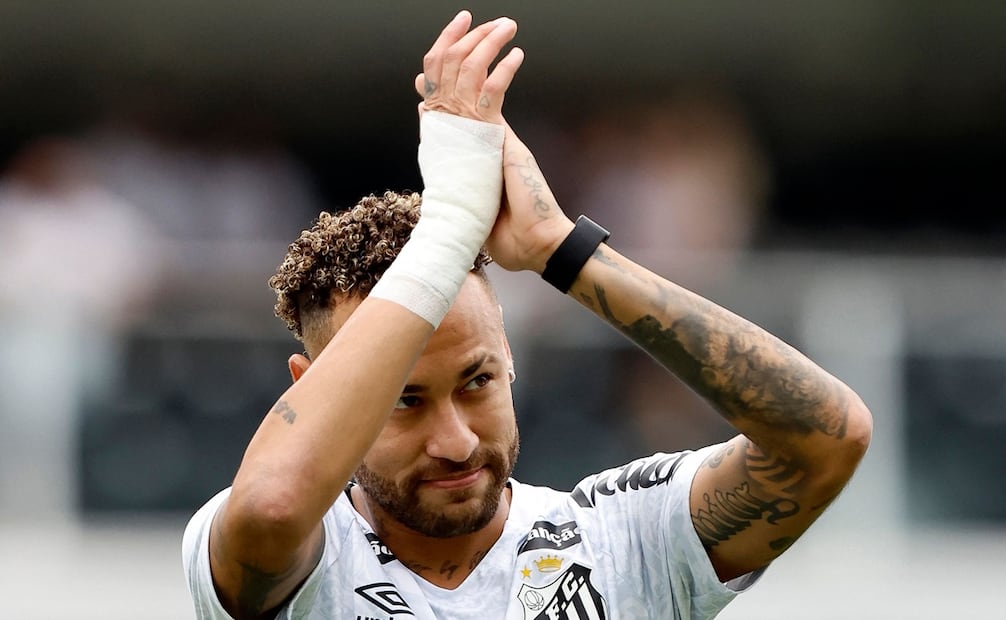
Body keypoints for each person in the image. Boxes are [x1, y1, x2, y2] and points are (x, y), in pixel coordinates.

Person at [182, 11, 872, 619]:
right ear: (312, 386)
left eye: (477, 381)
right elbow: (273, 504)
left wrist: (559, 250)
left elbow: (827, 437)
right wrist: (450, 230)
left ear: (508, 354)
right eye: (404, 400)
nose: (454, 442)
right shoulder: (297, 555)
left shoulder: (623, 538)